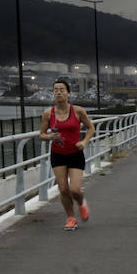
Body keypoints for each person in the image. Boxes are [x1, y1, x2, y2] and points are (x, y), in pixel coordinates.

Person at [39, 79, 95, 231]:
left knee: (75, 189)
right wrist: (49, 137)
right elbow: (41, 134)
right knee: (63, 190)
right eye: (55, 90)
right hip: (58, 154)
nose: (58, 92)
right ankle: (71, 218)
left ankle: (81, 203)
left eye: (62, 90)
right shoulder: (48, 114)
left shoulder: (78, 111)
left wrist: (84, 142)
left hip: (75, 153)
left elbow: (91, 128)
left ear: (68, 93)